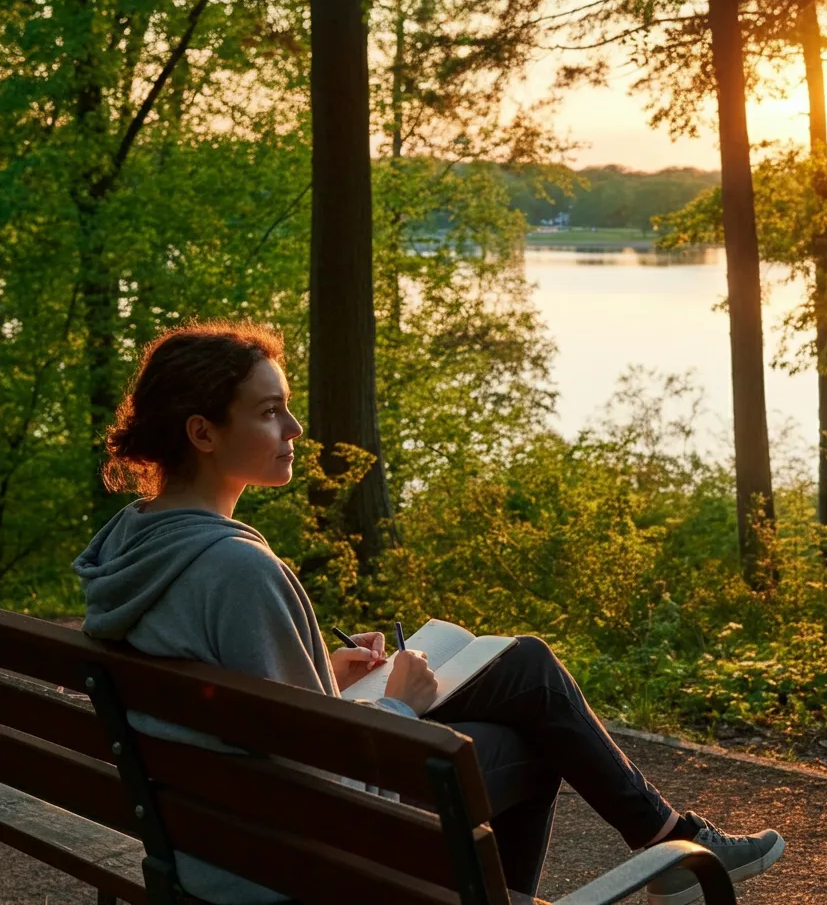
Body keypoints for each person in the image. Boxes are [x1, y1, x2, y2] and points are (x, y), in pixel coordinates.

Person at [73, 319, 784, 905]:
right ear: (202, 433)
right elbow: (321, 787)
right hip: (282, 867)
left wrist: (323, 670)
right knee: (532, 735)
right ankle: (657, 846)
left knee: (526, 667)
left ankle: (662, 838)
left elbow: (237, 706)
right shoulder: (236, 568)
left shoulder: (134, 544)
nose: (293, 426)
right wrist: (401, 706)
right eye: (269, 411)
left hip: (210, 842)